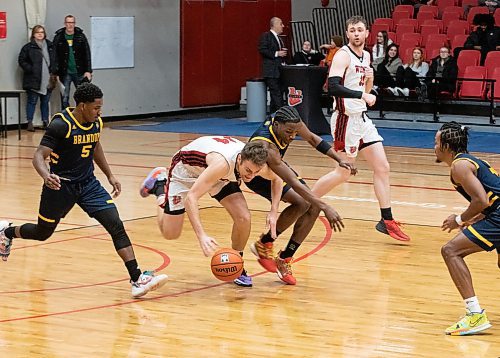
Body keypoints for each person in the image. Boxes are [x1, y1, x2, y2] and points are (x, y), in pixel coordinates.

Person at [0, 83, 168, 298]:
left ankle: (137, 279)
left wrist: (109, 174)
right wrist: (46, 176)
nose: (100, 112)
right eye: (96, 108)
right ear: (81, 106)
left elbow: (95, 145)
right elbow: (38, 155)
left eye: (101, 108)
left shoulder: (95, 122)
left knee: (115, 224)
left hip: (88, 184)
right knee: (43, 233)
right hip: (60, 185)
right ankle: (6, 232)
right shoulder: (61, 125)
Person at [313, 15, 411, 242]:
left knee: (382, 167)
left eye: (360, 30)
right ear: (347, 34)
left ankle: (386, 220)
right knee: (343, 172)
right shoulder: (342, 55)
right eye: (352, 30)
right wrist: (363, 94)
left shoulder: (366, 55)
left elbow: (364, 88)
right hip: (345, 120)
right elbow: (333, 88)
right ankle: (308, 200)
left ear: (367, 33)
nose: (356, 34)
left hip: (362, 119)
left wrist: (370, 81)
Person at [139, 138, 282, 288]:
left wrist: (273, 211)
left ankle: (237, 265)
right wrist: (202, 236)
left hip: (218, 176)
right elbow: (191, 198)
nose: (250, 176)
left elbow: (277, 177)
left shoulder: (255, 164)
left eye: (256, 172)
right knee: (171, 233)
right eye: (247, 170)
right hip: (186, 172)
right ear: (240, 158)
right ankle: (160, 186)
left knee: (244, 217)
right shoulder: (223, 163)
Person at [247, 106, 356, 285]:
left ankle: (285, 257)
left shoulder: (290, 119)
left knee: (311, 205)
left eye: (295, 132)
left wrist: (339, 159)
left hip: (276, 168)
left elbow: (313, 139)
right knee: (303, 202)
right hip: (257, 176)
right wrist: (325, 206)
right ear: (276, 124)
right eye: (289, 132)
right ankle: (265, 243)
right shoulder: (265, 145)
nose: (292, 136)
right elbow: (294, 183)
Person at [435, 121, 499, 336]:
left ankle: (474, 315)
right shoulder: (470, 162)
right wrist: (476, 218)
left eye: (435, 143)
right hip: (496, 213)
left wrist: (460, 220)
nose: (433, 147)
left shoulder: (459, 166)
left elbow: (481, 199)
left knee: (451, 250)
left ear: (445, 146)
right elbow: (490, 199)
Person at [18, 25, 56, 132]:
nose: (40, 34)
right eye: (38, 32)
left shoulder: (50, 46)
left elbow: (54, 60)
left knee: (45, 102)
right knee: (32, 101)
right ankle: (30, 122)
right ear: (33, 34)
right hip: (33, 79)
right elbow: (22, 60)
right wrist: (31, 69)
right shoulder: (28, 47)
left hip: (48, 79)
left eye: (42, 32)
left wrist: (54, 70)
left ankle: (45, 121)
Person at [53, 15, 92, 109]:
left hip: (80, 71)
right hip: (65, 72)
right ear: (64, 24)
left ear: (74, 24)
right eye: (68, 23)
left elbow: (87, 54)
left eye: (72, 23)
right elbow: (54, 56)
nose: (70, 25)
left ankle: (82, 117)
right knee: (64, 97)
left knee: (83, 96)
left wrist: (88, 71)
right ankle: (66, 118)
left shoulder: (80, 36)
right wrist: (55, 72)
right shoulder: (59, 37)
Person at [258, 17, 287, 114]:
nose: (283, 26)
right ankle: (281, 115)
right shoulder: (266, 36)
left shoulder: (279, 38)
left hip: (279, 71)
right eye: (281, 23)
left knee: (277, 95)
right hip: (271, 71)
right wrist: (276, 53)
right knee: (276, 94)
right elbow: (262, 50)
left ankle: (273, 117)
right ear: (274, 25)